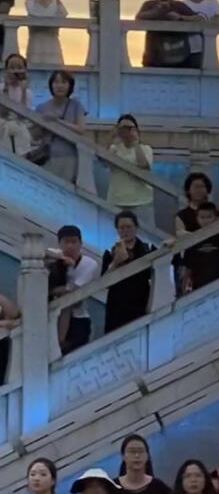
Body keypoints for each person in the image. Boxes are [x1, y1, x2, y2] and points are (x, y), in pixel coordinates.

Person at [50, 225, 98, 356]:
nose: (70, 246)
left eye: (74, 241)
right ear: (59, 243)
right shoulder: (54, 258)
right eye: (66, 242)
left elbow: (74, 290)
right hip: (53, 316)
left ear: (80, 243)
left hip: (78, 317)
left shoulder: (89, 264)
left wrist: (70, 268)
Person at [101, 211, 153, 333]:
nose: (125, 231)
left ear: (136, 227)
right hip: (117, 303)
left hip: (141, 301)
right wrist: (116, 262)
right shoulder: (110, 252)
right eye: (121, 228)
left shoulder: (148, 249)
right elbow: (104, 282)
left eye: (129, 227)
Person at [33, 69, 86, 185]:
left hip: (69, 156)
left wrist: (58, 121)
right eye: (56, 82)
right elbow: (35, 135)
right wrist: (43, 123)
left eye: (63, 82)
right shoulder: (41, 107)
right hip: (47, 155)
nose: (59, 86)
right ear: (51, 85)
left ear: (70, 85)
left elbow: (81, 129)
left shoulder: (76, 105)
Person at [106, 115, 157, 232]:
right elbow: (104, 161)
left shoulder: (146, 149)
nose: (127, 131)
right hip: (117, 199)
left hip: (141, 200)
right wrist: (112, 135)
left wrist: (135, 142)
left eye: (130, 128)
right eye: (123, 128)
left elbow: (143, 165)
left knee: (145, 234)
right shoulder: (114, 148)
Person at [135, 0, 198, 68]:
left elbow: (198, 19)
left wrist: (180, 17)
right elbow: (138, 19)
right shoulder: (149, 5)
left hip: (179, 59)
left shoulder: (179, 6)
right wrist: (155, 12)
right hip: (153, 59)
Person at [182, 202, 219, 290]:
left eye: (209, 217)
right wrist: (184, 289)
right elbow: (188, 269)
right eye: (202, 217)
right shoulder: (192, 241)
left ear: (216, 217)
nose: (205, 220)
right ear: (197, 218)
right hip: (199, 288)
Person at [180, 0, 219, 69]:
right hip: (187, 51)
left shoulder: (213, 3)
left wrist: (192, 20)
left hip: (208, 50)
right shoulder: (182, 5)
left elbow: (218, 23)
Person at [25, 0, 67, 66]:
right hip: (36, 46)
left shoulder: (55, 4)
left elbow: (63, 15)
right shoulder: (30, 1)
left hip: (52, 46)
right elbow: (34, 11)